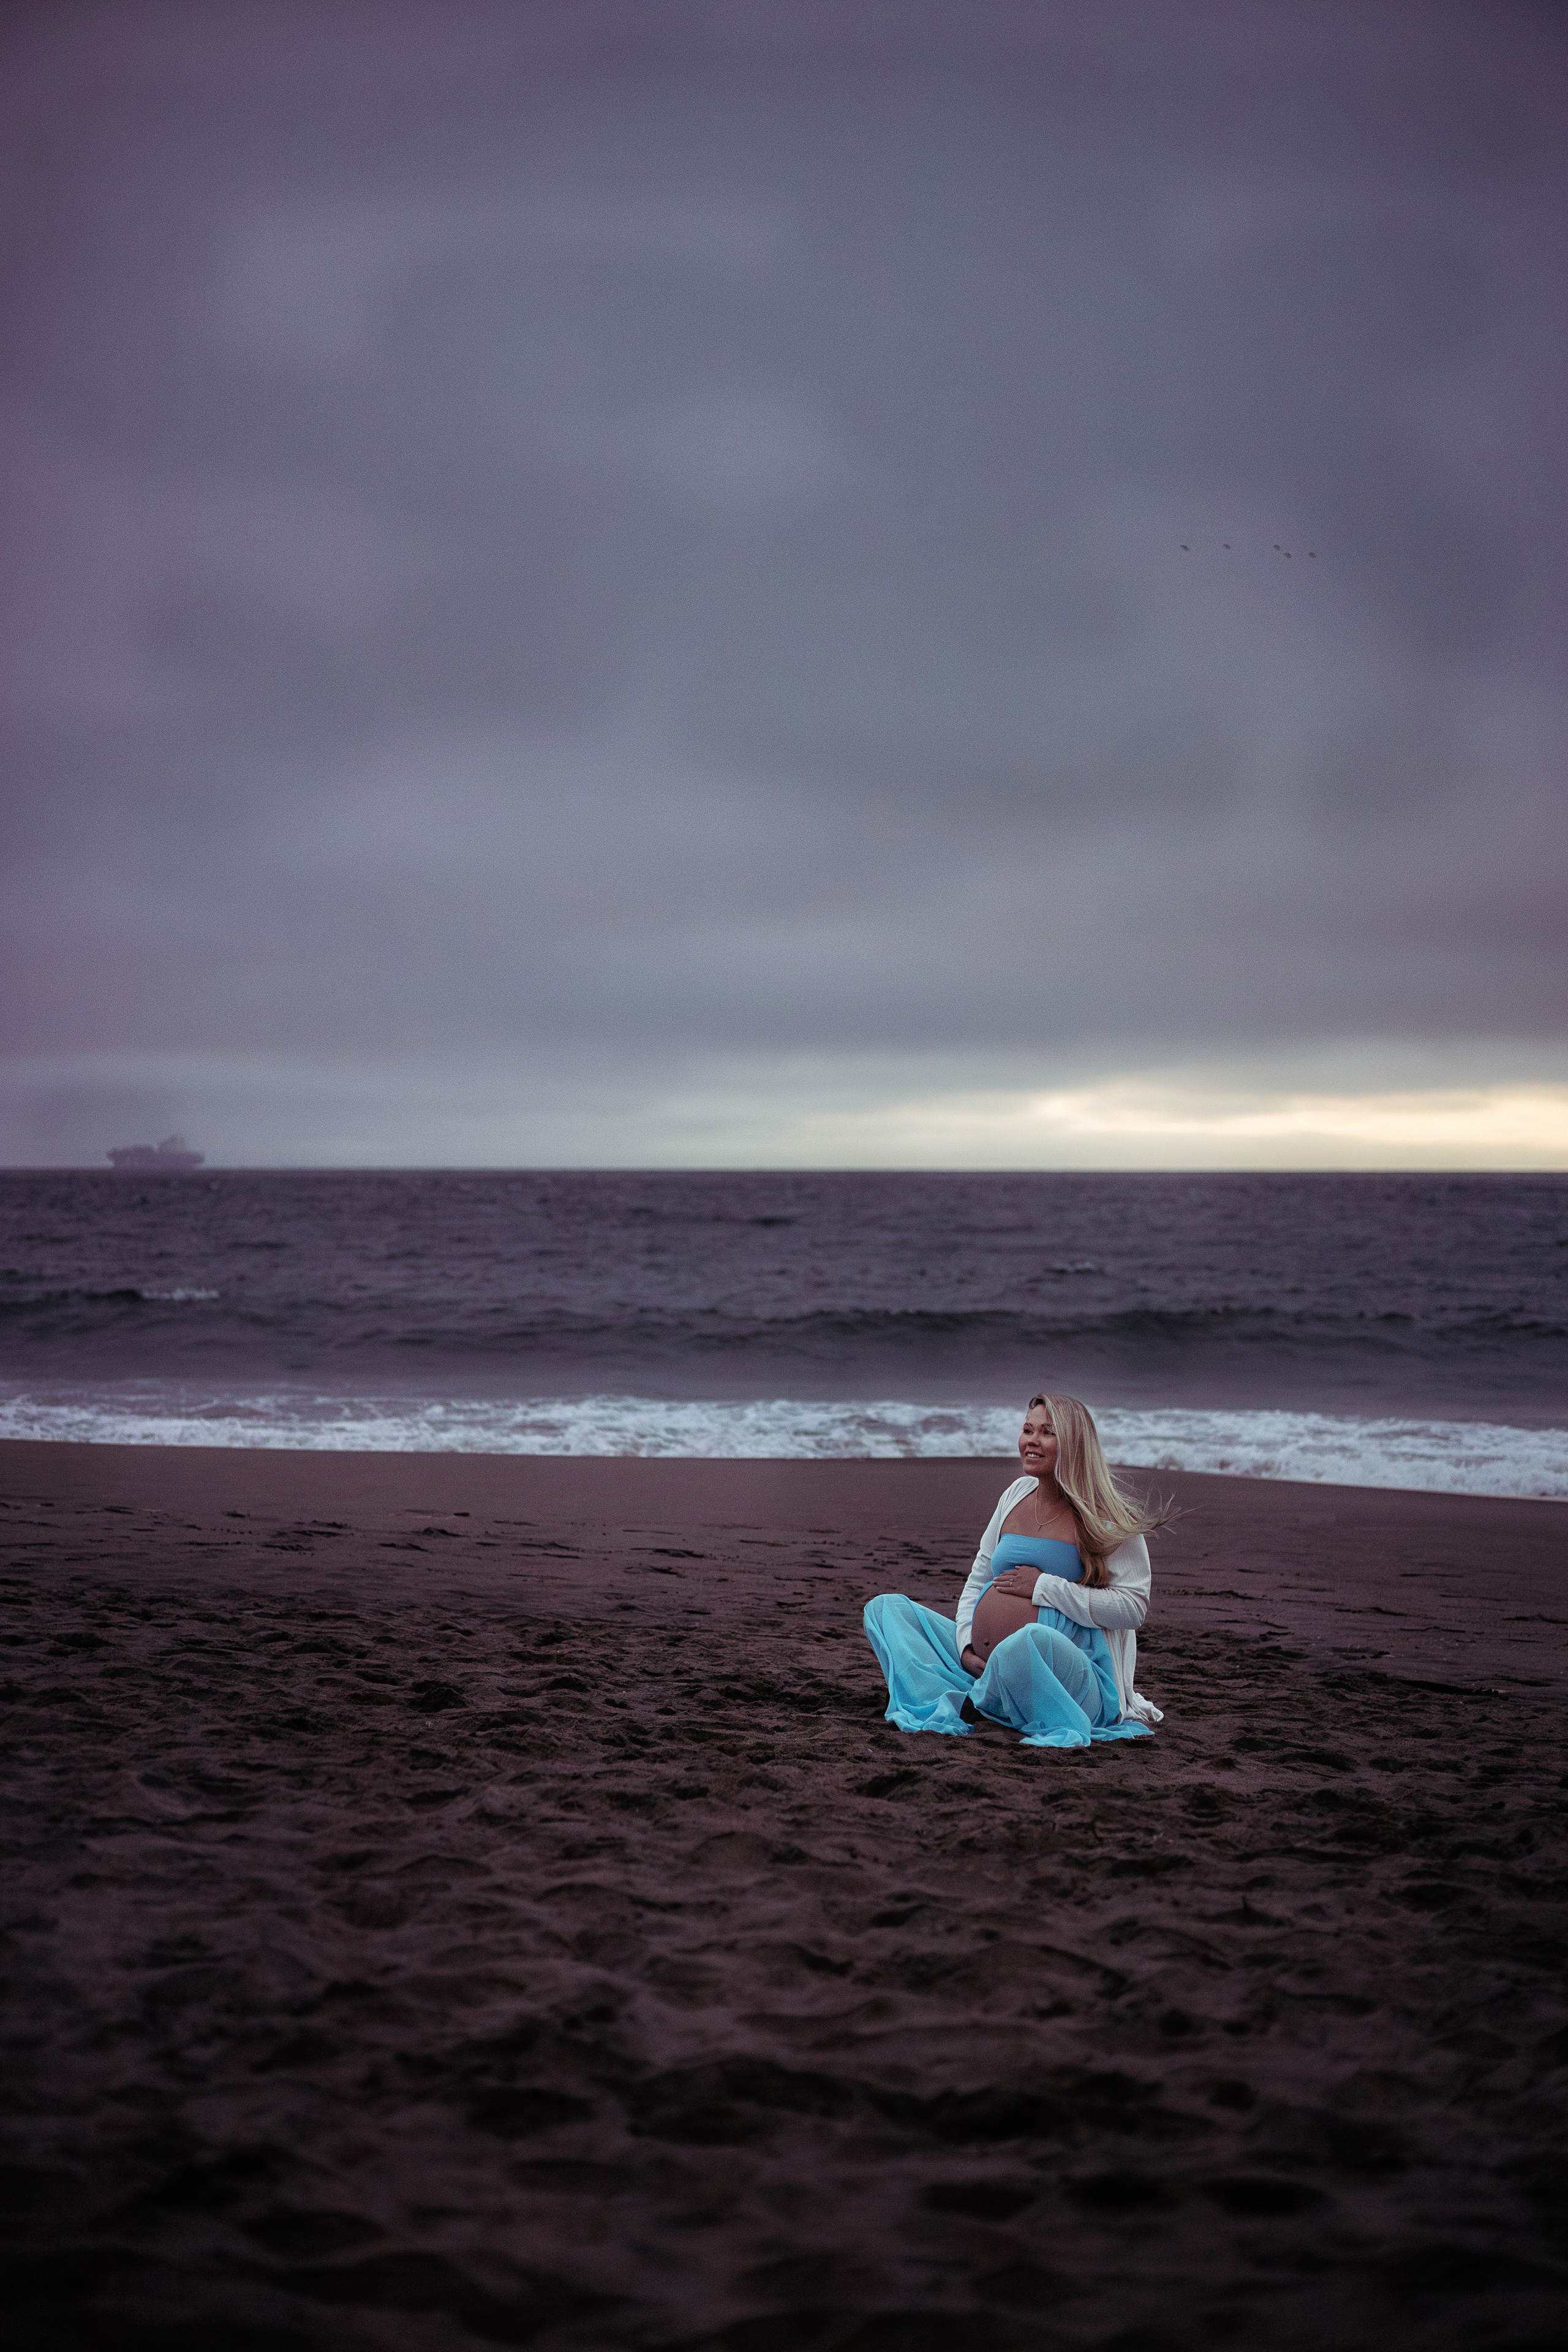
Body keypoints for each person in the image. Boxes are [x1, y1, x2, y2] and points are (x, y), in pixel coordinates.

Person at [862, 1393, 1174, 1749]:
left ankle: (988, 1698)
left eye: (1047, 1433)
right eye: (1028, 1430)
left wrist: (1043, 1587)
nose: (1032, 1441)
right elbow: (978, 1579)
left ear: (1074, 1443)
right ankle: (988, 1692)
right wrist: (965, 1646)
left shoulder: (1106, 1514)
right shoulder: (1016, 1494)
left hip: (1073, 1679)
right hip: (982, 1664)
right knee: (887, 1609)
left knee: (1028, 1641)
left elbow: (1133, 1607)